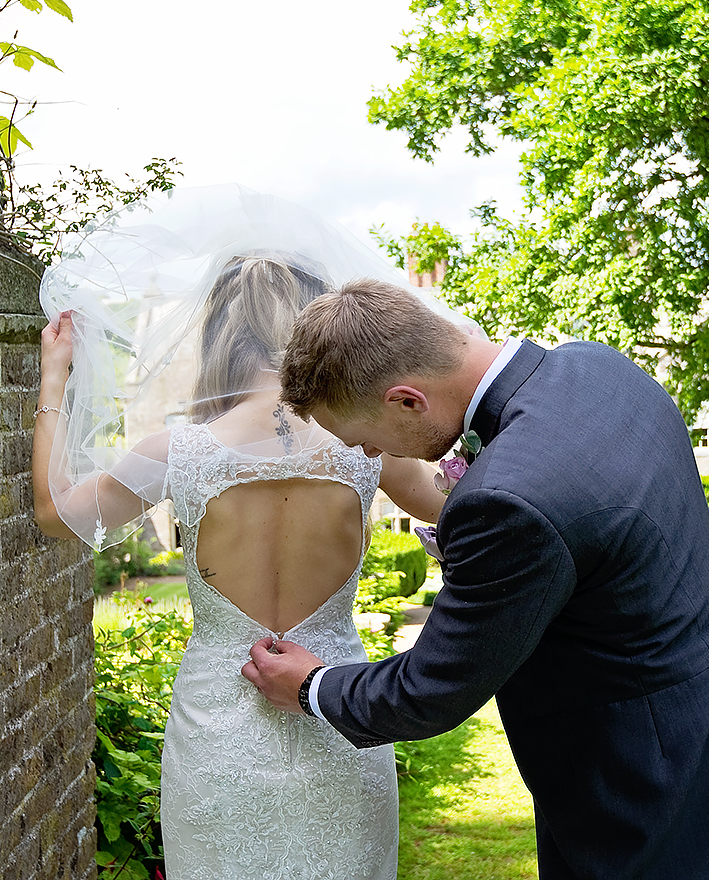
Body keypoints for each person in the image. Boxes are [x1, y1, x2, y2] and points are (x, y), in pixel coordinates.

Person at [245, 278, 709, 880]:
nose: (368, 457)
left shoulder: (506, 501)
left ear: (407, 401)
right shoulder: (601, 367)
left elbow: (431, 688)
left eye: (365, 439)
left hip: (647, 795)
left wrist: (312, 685)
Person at [32, 187, 446, 880]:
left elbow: (57, 512)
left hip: (217, 734)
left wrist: (54, 380)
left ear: (216, 331)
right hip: (340, 713)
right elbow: (453, 507)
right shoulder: (365, 446)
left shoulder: (178, 452)